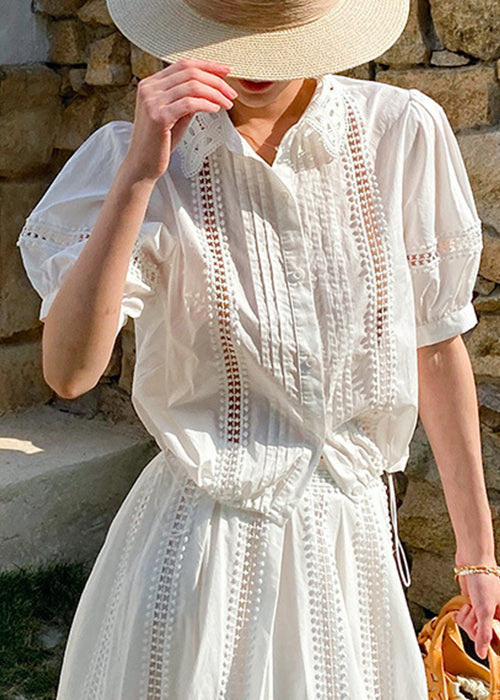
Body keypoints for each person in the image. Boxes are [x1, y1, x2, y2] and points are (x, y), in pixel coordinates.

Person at [16, 0, 500, 697]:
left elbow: (436, 345)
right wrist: (139, 176)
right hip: (199, 559)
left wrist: (477, 554)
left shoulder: (399, 132)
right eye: (231, 38)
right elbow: (69, 373)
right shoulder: (133, 157)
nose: (255, 66)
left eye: (276, 39)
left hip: (352, 552)